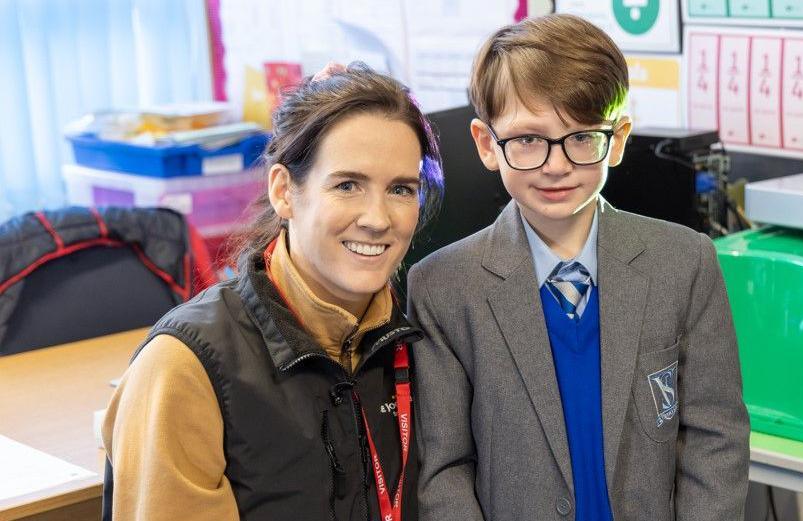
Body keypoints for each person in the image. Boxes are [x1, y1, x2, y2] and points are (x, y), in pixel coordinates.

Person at [407, 14, 750, 521]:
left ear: (619, 139)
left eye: (582, 136)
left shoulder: (686, 261)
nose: (556, 164)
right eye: (527, 139)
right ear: (485, 143)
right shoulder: (441, 287)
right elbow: (445, 470)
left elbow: (716, 438)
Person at [102, 62, 443, 521]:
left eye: (401, 189)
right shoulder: (183, 368)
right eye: (347, 185)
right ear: (284, 191)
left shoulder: (422, 333)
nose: (378, 218)